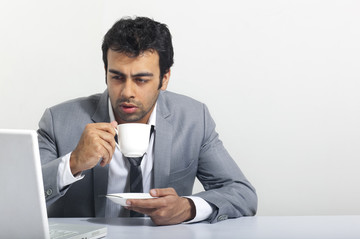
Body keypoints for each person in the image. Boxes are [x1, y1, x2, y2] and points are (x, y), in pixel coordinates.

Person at [37, 16, 257, 225]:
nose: (127, 92)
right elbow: (16, 197)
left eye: (141, 79)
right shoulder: (59, 121)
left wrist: (187, 208)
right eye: (117, 77)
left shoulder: (193, 119)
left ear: (165, 78)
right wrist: (73, 163)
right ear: (106, 73)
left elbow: (242, 193)